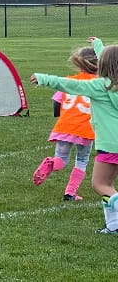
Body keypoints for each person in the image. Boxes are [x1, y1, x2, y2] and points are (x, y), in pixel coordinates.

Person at [30, 40, 118, 234]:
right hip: (108, 142)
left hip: (110, 145)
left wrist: (43, 78)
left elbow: (69, 84)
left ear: (102, 65)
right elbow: (112, 61)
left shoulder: (99, 86)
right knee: (108, 185)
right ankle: (113, 225)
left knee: (100, 184)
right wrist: (99, 46)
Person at [32, 43, 98, 201]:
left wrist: (62, 116)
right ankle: (70, 192)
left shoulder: (69, 81)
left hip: (64, 126)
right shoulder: (99, 84)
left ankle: (50, 162)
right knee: (82, 160)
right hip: (85, 129)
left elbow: (57, 102)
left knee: (61, 159)